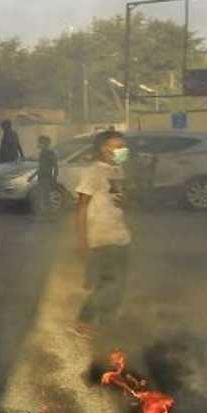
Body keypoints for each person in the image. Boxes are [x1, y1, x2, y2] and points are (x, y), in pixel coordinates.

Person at [73, 131, 131, 337]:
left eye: (123, 146)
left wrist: (127, 203)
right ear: (103, 149)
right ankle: (84, 320)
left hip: (121, 236)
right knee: (107, 282)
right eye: (117, 147)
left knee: (119, 284)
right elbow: (81, 207)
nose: (122, 151)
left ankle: (107, 322)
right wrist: (82, 241)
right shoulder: (92, 172)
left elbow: (118, 200)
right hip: (102, 236)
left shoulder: (118, 170)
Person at [33, 135, 59, 216]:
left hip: (46, 177)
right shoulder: (42, 153)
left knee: (46, 197)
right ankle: (45, 214)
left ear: (45, 143)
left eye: (40, 142)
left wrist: (54, 178)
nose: (38, 144)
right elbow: (41, 167)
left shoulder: (50, 152)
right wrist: (32, 176)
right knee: (42, 196)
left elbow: (55, 166)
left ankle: (51, 215)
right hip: (41, 177)